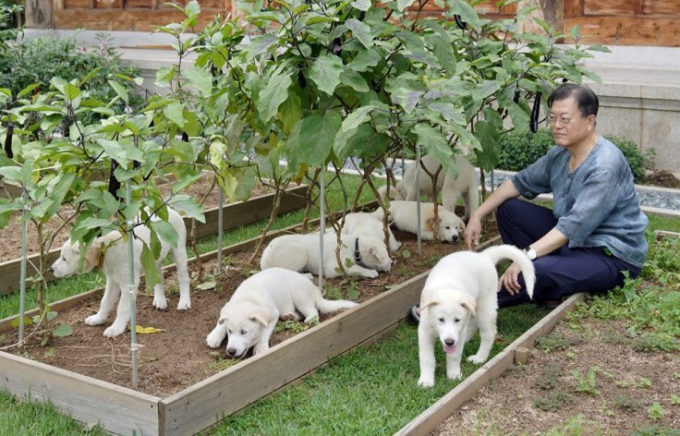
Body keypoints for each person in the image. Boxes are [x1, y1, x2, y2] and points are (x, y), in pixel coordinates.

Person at [410, 83, 648, 321]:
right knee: (509, 210)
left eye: (565, 119)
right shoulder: (561, 154)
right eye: (553, 117)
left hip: (608, 256)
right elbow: (517, 184)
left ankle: (455, 306)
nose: (556, 126)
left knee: (536, 270)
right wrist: (477, 215)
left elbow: (572, 227)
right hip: (574, 243)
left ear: (590, 121)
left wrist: (526, 256)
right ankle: (550, 283)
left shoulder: (605, 166)